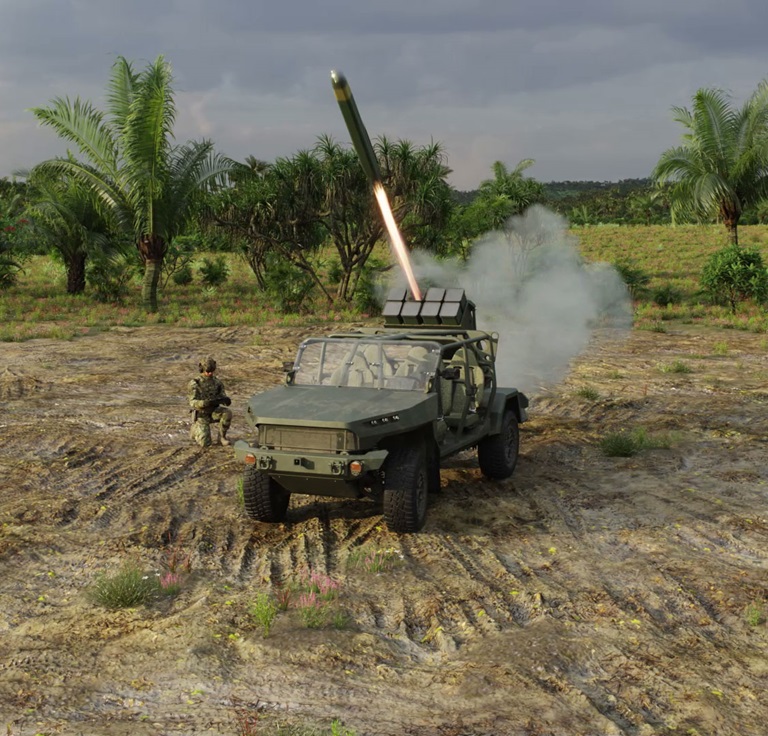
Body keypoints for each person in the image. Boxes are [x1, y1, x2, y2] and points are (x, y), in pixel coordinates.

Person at [188, 356, 232, 447]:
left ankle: (222, 437)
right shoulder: (195, 383)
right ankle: (195, 430)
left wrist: (225, 400)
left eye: (211, 372)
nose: (209, 374)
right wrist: (203, 403)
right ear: (202, 369)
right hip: (201, 414)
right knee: (205, 444)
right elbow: (192, 402)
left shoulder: (217, 382)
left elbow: (222, 395)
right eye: (207, 372)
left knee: (227, 413)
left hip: (214, 411)